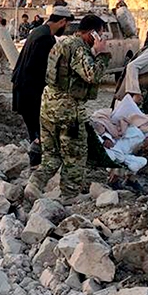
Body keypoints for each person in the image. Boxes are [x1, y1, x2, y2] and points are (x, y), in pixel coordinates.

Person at [25, 14, 111, 201]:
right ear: (93, 33)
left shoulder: (62, 43)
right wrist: (102, 53)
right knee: (75, 156)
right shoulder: (79, 48)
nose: (102, 38)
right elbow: (92, 76)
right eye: (101, 34)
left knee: (51, 156)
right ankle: (69, 196)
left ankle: (34, 184)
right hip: (68, 111)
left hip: (48, 105)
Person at [12, 6, 74, 166]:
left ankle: (36, 165)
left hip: (23, 88)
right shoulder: (46, 39)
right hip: (31, 92)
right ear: (62, 21)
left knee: (35, 131)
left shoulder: (38, 31)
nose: (65, 29)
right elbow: (41, 70)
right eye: (66, 25)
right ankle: (37, 167)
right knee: (39, 132)